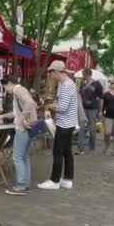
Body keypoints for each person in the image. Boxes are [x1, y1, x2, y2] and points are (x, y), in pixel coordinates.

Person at [38, 60, 79, 190]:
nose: (50, 75)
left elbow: (62, 107)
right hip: (68, 123)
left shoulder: (66, 85)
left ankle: (54, 180)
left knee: (58, 152)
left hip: (65, 124)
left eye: (51, 72)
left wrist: (48, 106)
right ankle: (67, 179)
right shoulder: (65, 84)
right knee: (67, 152)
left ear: (56, 71)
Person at [0, 76, 38, 195]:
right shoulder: (21, 91)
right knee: (24, 157)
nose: (5, 90)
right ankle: (25, 183)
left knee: (17, 157)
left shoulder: (18, 90)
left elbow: (29, 103)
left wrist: (22, 118)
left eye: (5, 87)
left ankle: (21, 185)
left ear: (9, 83)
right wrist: (3, 116)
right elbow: (17, 112)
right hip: (29, 128)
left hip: (23, 128)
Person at [76, 69, 104, 155]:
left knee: (92, 129)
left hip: (93, 108)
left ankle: (92, 146)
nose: (83, 76)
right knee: (82, 127)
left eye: (84, 75)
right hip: (83, 108)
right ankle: (80, 147)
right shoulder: (82, 84)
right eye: (83, 75)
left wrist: (100, 110)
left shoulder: (97, 84)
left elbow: (101, 97)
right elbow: (80, 95)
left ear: (88, 75)